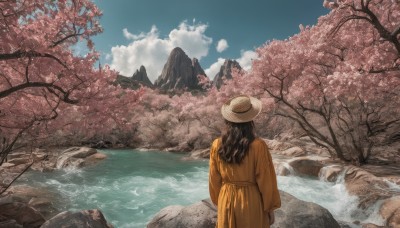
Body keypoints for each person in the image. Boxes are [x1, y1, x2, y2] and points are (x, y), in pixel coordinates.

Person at [209, 95, 281, 228]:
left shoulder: (216, 144)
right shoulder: (258, 145)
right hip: (251, 201)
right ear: (251, 119)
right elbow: (266, 180)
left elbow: (214, 179)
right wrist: (270, 208)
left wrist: (220, 203)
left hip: (226, 199)